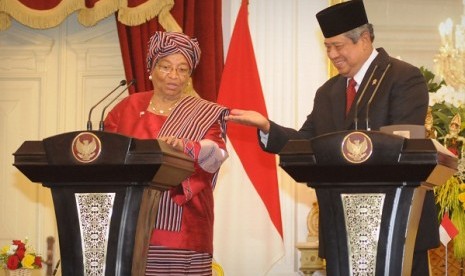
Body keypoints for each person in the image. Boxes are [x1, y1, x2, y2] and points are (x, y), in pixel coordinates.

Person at [226, 1, 437, 275]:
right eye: (327, 47)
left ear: (363, 40)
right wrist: (267, 127)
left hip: (396, 225)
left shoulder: (404, 77)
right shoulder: (328, 92)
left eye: (338, 46)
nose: (332, 54)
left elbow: (400, 148)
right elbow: (305, 143)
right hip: (342, 228)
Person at [104, 31, 229, 275]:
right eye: (166, 67)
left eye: (183, 69)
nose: (174, 76)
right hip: (130, 223)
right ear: (151, 68)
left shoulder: (203, 112)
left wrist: (188, 147)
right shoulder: (126, 108)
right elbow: (108, 158)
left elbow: (217, 155)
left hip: (184, 226)